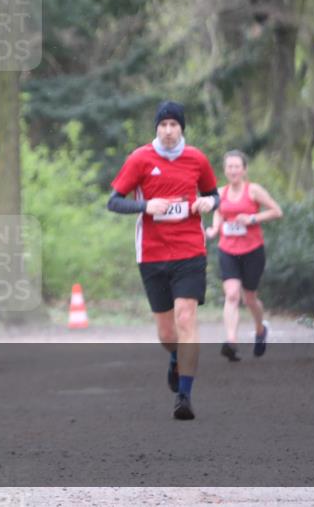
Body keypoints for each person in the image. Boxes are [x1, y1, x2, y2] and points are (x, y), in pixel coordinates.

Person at [107, 101, 219, 420]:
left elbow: (214, 194)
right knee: (167, 334)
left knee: (186, 318)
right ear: (156, 128)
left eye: (174, 125)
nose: (169, 131)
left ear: (182, 128)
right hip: (152, 253)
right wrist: (146, 206)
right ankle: (175, 358)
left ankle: (184, 396)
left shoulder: (197, 159)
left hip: (190, 250)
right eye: (163, 125)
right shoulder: (140, 158)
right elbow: (113, 202)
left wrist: (209, 203)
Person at [204, 151, 283, 361]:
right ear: (225, 170)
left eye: (237, 167)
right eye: (229, 167)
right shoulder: (220, 192)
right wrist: (214, 229)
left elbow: (277, 211)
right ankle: (231, 342)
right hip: (227, 250)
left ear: (244, 170)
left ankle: (260, 330)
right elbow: (219, 213)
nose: (233, 170)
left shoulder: (253, 190)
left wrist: (252, 218)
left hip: (252, 251)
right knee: (231, 295)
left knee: (250, 298)